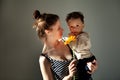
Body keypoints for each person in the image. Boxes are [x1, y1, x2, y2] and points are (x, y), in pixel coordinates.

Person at [33, 10, 77, 80]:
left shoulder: (68, 41)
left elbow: (84, 56)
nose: (63, 30)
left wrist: (91, 65)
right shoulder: (44, 59)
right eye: (58, 28)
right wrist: (69, 77)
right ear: (48, 32)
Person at [65, 11, 98, 80]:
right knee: (79, 74)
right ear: (68, 26)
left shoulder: (83, 36)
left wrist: (70, 40)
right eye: (71, 26)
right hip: (83, 59)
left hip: (87, 59)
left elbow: (77, 48)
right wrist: (69, 39)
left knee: (84, 76)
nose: (74, 28)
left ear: (83, 25)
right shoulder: (75, 36)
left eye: (77, 25)